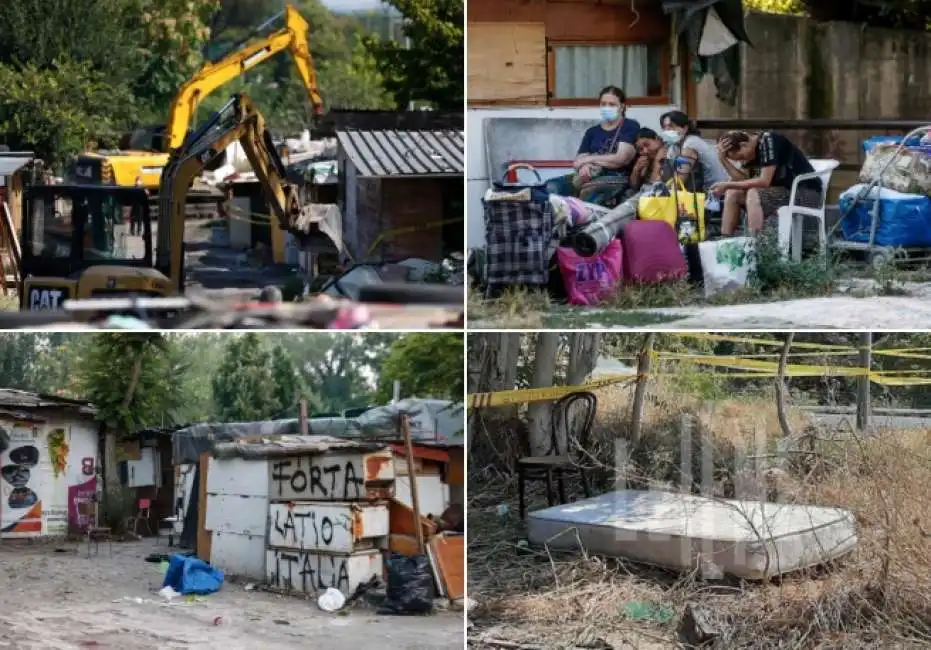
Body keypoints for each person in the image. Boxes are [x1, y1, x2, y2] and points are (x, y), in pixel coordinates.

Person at [710, 130, 822, 236]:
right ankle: (725, 242)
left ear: (744, 144)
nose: (742, 161)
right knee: (733, 193)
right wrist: (723, 160)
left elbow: (764, 181)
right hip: (781, 194)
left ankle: (755, 245)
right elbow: (742, 181)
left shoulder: (769, 141)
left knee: (754, 193)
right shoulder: (750, 152)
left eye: (741, 157)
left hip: (805, 193)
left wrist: (726, 184)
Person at [545, 85, 640, 205]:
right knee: (552, 186)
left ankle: (582, 219)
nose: (607, 107)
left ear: (622, 107)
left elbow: (621, 159)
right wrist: (584, 167)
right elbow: (578, 161)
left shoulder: (629, 126)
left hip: (616, 177)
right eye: (603, 104)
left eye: (612, 104)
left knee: (590, 192)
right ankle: (565, 219)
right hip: (590, 174)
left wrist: (589, 159)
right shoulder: (592, 131)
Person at [658, 110, 731, 191]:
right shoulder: (674, 147)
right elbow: (668, 174)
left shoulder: (691, 143)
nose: (667, 131)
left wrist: (662, 194)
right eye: (664, 128)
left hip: (716, 190)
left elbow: (680, 178)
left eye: (671, 126)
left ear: (685, 128)